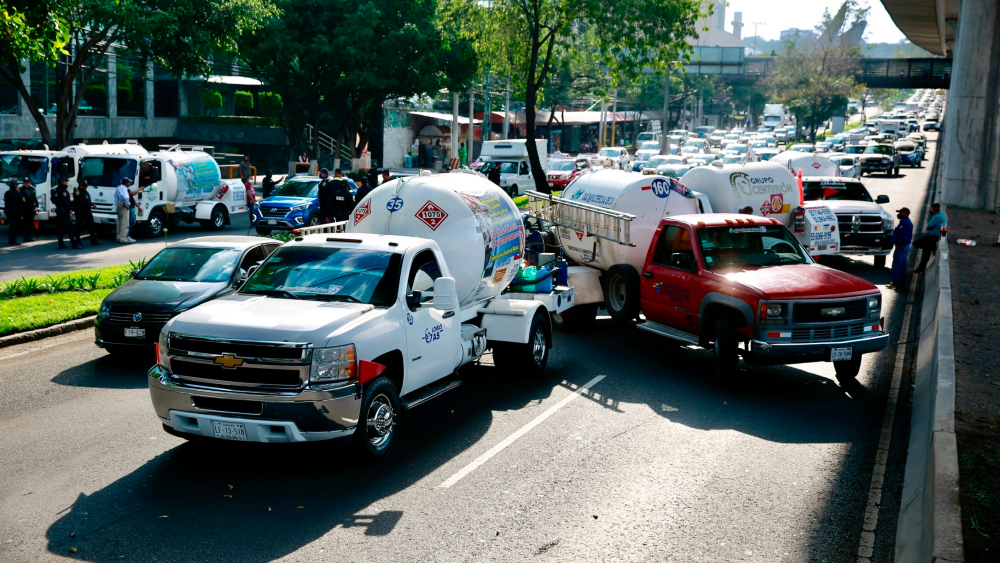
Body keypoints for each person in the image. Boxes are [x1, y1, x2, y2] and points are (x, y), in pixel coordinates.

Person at [913, 202, 947, 273]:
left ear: (933, 209)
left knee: (916, 243)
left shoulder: (936, 217)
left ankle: (931, 247)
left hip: (932, 237)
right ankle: (921, 268)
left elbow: (928, 227)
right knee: (926, 253)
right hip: (935, 237)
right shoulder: (941, 215)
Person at [51, 177, 81, 249]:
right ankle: (74, 245)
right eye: (65, 182)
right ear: (62, 182)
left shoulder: (55, 190)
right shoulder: (63, 191)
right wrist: (70, 209)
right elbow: (66, 202)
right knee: (70, 228)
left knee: (61, 228)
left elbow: (52, 199)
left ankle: (61, 244)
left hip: (58, 210)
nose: (66, 183)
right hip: (64, 211)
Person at [887, 207, 913, 290]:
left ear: (905, 213)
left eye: (900, 212)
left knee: (896, 265)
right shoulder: (906, 222)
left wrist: (898, 246)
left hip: (901, 247)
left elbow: (903, 236)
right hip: (905, 247)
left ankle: (895, 283)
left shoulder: (904, 223)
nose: (899, 214)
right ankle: (901, 283)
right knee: (903, 265)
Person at [73, 181, 100, 246]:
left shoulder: (85, 191)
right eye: (85, 185)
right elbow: (82, 201)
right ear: (81, 185)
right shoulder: (77, 192)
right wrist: (91, 204)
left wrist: (91, 206)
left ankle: (94, 240)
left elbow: (88, 200)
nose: (86, 187)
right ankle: (78, 240)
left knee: (92, 226)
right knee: (79, 226)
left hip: (87, 211)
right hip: (80, 211)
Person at [115, 177, 138, 244]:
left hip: (119, 206)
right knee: (125, 224)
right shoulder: (125, 189)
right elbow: (125, 197)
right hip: (124, 207)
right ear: (126, 183)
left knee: (119, 223)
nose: (129, 183)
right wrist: (128, 205)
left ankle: (118, 237)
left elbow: (115, 197)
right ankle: (123, 239)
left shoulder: (118, 187)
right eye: (129, 182)